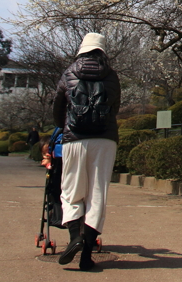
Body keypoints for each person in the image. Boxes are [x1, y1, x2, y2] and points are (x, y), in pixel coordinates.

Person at [52, 32, 121, 271]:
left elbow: (57, 109)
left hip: (75, 139)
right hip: (104, 140)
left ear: (82, 49)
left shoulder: (69, 72)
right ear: (102, 51)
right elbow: (116, 108)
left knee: (71, 190)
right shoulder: (111, 76)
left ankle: (74, 238)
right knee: (97, 194)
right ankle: (86, 256)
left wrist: (67, 128)